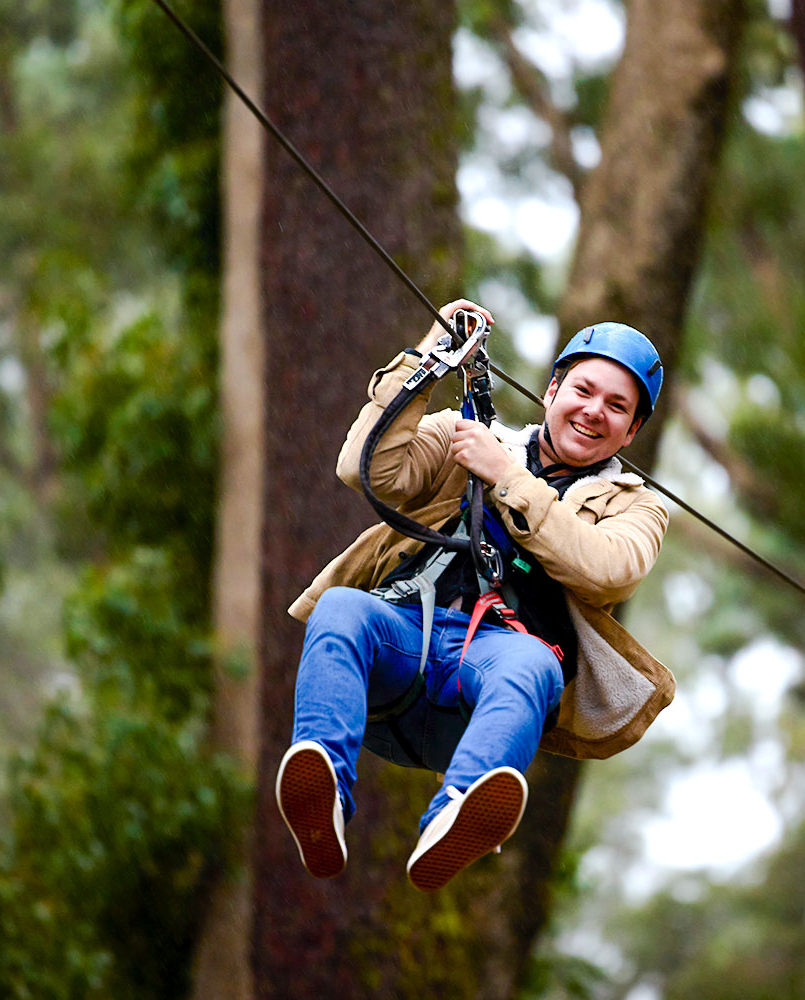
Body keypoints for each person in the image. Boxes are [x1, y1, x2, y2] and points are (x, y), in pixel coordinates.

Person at [277, 299, 675, 892]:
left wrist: (506, 478)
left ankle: (456, 813)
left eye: (617, 407)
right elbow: (368, 472)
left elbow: (606, 569)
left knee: (534, 663)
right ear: (552, 388)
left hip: (498, 659)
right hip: (406, 634)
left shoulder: (637, 505)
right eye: (584, 390)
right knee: (342, 609)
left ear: (633, 430)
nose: (594, 412)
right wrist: (427, 361)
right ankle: (322, 783)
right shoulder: (467, 436)